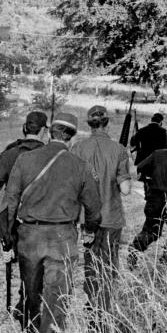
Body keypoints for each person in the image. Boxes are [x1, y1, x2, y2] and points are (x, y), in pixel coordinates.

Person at [5, 112, 102, 333]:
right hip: (62, 237)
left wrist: (10, 235)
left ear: (50, 132)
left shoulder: (24, 159)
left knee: (31, 294)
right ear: (71, 138)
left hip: (29, 236)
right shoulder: (80, 165)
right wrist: (91, 229)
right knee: (56, 301)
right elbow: (94, 207)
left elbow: (10, 200)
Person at [0, 111, 48, 330]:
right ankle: (27, 304)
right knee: (35, 264)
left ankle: (24, 303)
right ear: (44, 131)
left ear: (24, 128)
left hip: (11, 218)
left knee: (22, 261)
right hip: (37, 219)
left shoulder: (10, 153)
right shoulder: (49, 155)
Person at [70, 105, 131, 319]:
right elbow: (126, 190)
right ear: (107, 123)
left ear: (89, 124)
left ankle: (91, 301)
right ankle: (102, 310)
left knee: (91, 260)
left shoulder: (77, 148)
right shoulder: (118, 149)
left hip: (87, 218)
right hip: (111, 217)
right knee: (108, 263)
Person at [129, 113, 167, 184]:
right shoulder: (163, 131)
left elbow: (132, 143)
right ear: (161, 122)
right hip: (157, 162)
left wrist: (136, 136)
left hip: (143, 161)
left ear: (151, 120)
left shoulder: (142, 130)